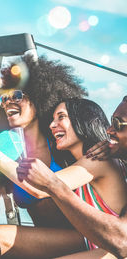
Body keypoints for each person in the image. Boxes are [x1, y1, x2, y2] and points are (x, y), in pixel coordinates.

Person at [0, 55, 88, 258]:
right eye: (3, 98)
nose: (8, 102)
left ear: (40, 98)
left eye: (17, 95)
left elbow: (42, 189)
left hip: (79, 238)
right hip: (39, 240)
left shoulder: (62, 146)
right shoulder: (7, 153)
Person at [0, 98, 127, 258]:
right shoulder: (81, 160)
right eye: (52, 118)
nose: (52, 124)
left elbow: (39, 188)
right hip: (91, 243)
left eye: (61, 117)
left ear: (83, 120)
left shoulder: (98, 161)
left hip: (102, 249)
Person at [18, 96, 127, 258]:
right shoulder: (99, 158)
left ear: (83, 121)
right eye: (111, 121)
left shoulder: (98, 161)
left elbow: (122, 242)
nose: (110, 130)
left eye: (118, 123)